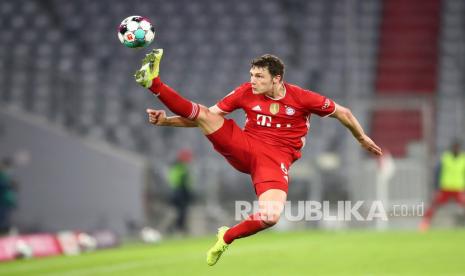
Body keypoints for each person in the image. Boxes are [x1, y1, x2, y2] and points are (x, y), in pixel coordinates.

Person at [135, 49, 382, 266]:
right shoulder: (245, 92)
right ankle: (153, 82)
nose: (253, 81)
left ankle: (226, 237)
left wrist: (361, 138)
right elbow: (205, 116)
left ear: (277, 79)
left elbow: (344, 113)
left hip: (275, 161)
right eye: (252, 75)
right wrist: (167, 121)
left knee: (270, 216)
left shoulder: (302, 98)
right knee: (205, 114)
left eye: (259, 76)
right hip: (245, 146)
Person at [420, 140, 465, 231]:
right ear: (452, 148)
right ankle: (425, 223)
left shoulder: (463, 159)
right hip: (446, 188)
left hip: (458, 188)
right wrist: (436, 187)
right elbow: (437, 173)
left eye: (457, 147)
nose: (456, 149)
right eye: (454, 147)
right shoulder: (445, 158)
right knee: (434, 204)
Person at [167, 149, 194, 234]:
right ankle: (177, 228)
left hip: (183, 192)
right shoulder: (178, 167)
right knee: (180, 212)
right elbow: (175, 180)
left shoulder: (183, 167)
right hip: (179, 192)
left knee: (182, 212)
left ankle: (178, 228)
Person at [0, 158, 17, 235]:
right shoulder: (2, 175)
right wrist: (9, 185)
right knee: (2, 219)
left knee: (6, 219)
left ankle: (5, 231)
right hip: (2, 203)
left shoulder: (6, 176)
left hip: (7, 203)